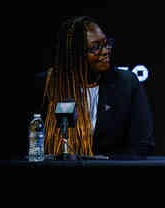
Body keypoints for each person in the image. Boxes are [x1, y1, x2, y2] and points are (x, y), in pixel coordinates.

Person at [33, 16, 155, 158]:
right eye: (95, 47)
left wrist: (99, 161)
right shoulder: (46, 85)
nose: (105, 51)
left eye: (106, 43)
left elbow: (142, 145)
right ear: (74, 54)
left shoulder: (126, 84)